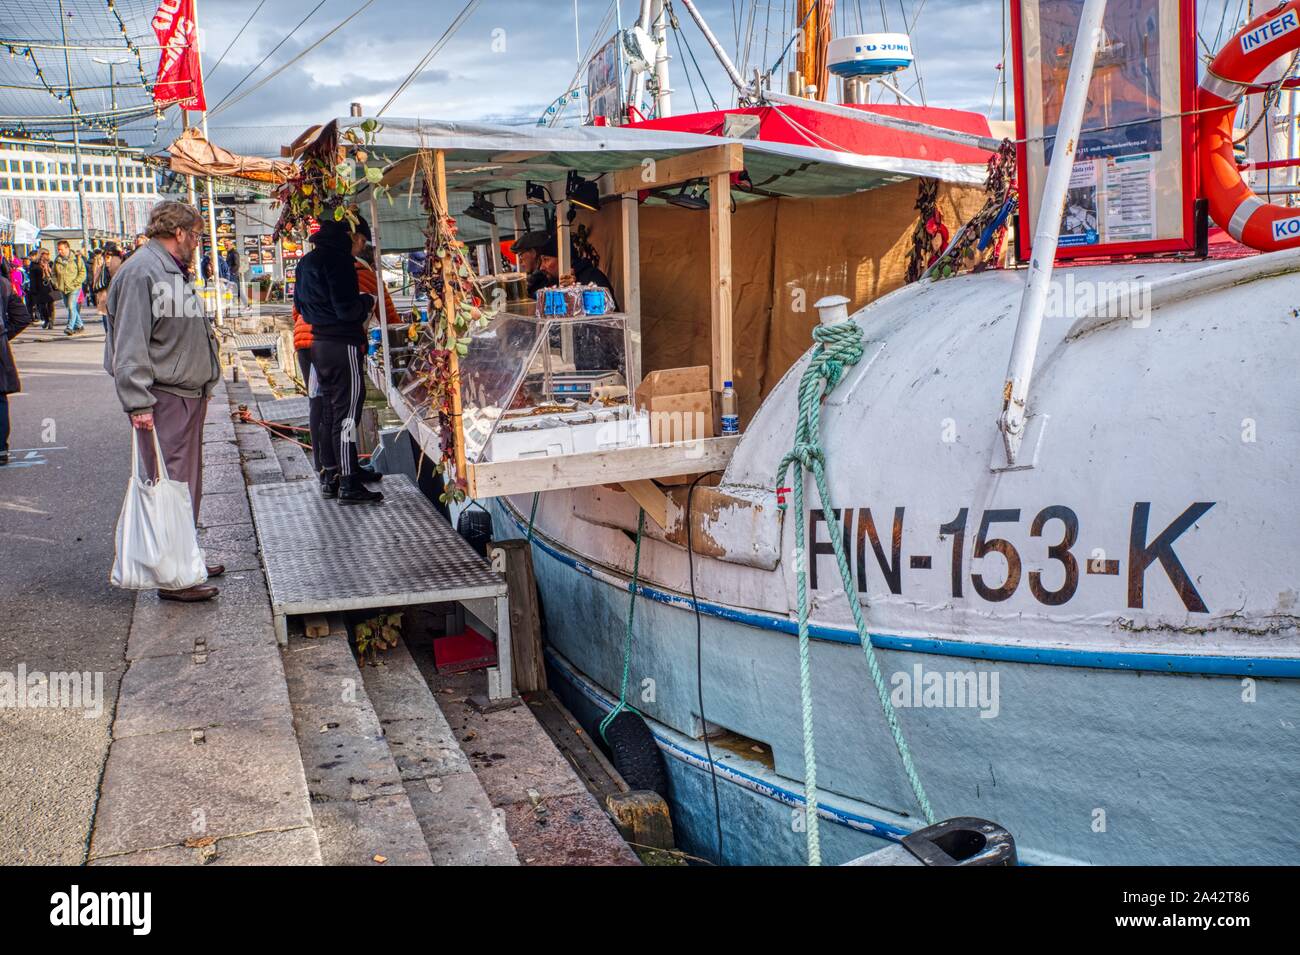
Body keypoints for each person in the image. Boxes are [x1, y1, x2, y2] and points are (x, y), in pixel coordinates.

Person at [105, 200, 224, 603]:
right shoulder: (143, 272)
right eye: (197, 235)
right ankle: (175, 577)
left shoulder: (163, 268)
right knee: (170, 482)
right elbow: (130, 345)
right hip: (165, 396)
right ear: (180, 233)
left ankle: (186, 559)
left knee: (182, 483)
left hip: (182, 393)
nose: (198, 242)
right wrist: (138, 402)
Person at [292, 232, 394, 486]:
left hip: (310, 345)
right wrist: (365, 301)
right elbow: (353, 310)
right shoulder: (348, 267)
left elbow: (297, 308)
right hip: (340, 343)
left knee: (323, 407)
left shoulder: (306, 263)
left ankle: (329, 472)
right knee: (347, 411)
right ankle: (348, 478)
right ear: (353, 242)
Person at [0, 260, 35, 465]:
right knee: (0, 397)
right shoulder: (4, 284)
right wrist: (4, 336)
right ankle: (1, 449)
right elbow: (22, 317)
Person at [52, 240, 87, 336]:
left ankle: (70, 327)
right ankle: (80, 325)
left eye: (61, 249)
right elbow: (53, 273)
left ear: (67, 248)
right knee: (69, 308)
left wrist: (76, 282)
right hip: (63, 287)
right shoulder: (57, 260)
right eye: (58, 249)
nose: (59, 251)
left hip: (74, 287)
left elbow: (83, 272)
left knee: (72, 307)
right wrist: (56, 283)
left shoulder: (76, 258)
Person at [26, 249, 55, 330]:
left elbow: (54, 274)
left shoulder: (50, 263)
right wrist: (33, 289)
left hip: (49, 286)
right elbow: (32, 278)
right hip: (39, 287)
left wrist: (47, 269)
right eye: (43, 254)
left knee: (50, 304)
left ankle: (51, 321)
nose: (45, 256)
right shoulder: (34, 264)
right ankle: (46, 319)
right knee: (41, 305)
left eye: (47, 254)